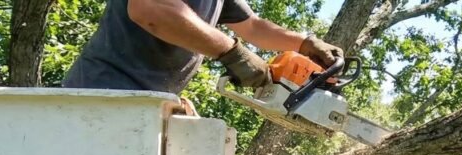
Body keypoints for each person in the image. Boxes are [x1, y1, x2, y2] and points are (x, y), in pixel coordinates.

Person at [63, 0, 344, 96]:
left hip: (145, 105)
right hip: (102, 95)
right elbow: (150, 9)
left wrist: (306, 43)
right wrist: (234, 53)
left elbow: (253, 27)